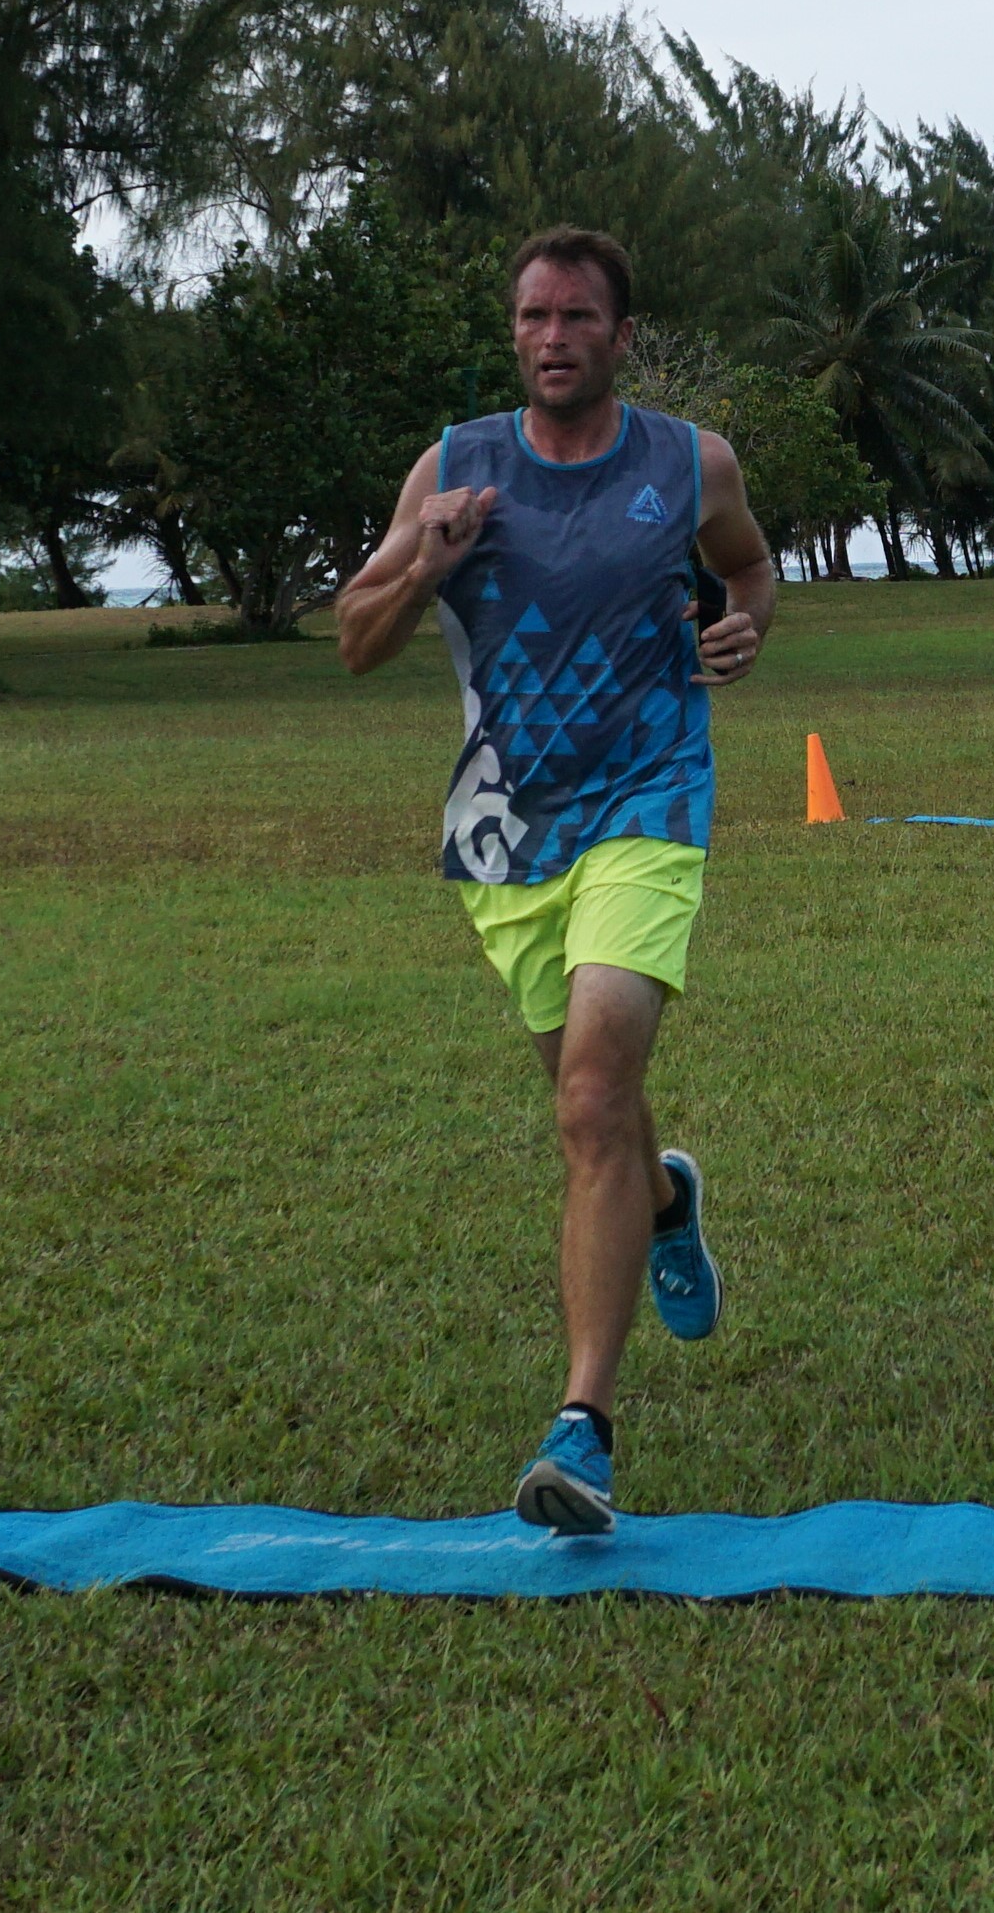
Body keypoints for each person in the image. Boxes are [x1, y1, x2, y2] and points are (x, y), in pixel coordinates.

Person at [337, 226, 775, 1533]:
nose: (551, 337)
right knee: (603, 1119)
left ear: (619, 335)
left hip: (648, 801)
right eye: (532, 315)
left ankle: (580, 1429)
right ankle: (663, 1199)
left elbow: (745, 562)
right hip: (499, 834)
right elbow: (356, 640)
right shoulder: (453, 465)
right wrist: (429, 556)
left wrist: (746, 619)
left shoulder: (688, 462)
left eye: (578, 316)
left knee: (591, 1098)